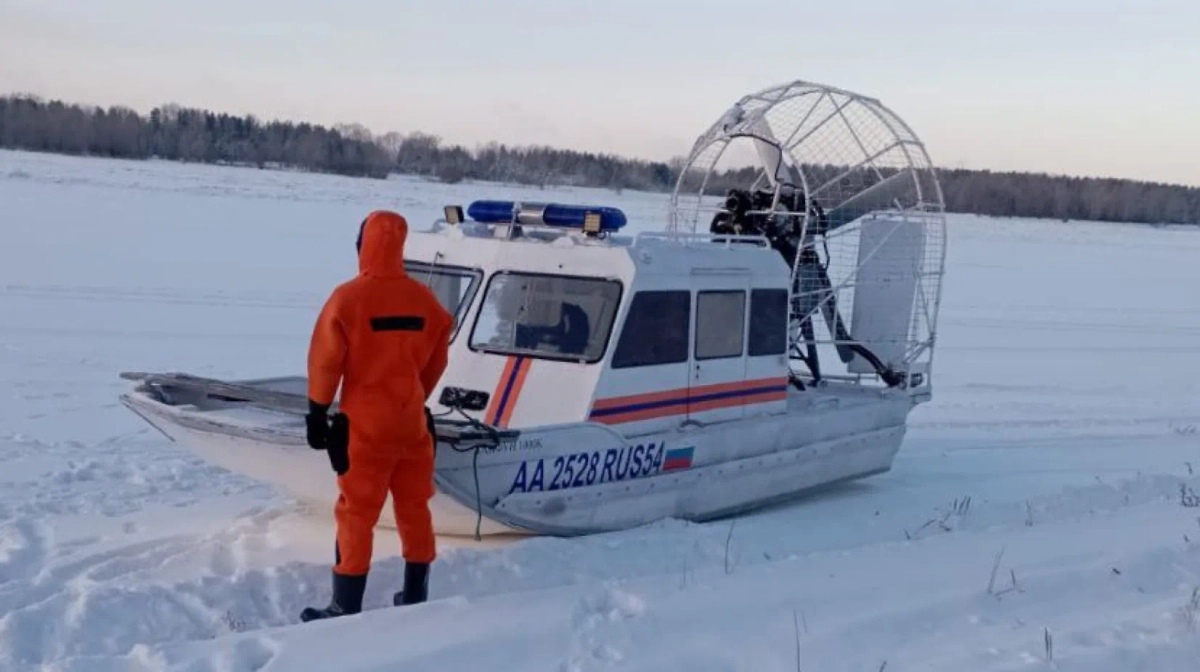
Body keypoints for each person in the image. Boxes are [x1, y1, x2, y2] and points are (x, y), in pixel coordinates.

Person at [300, 209, 454, 622]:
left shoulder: (347, 298)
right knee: (414, 507)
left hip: (365, 428)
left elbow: (325, 361)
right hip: (412, 425)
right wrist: (415, 392)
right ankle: (415, 594)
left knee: (357, 512)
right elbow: (438, 357)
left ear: (362, 245)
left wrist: (317, 412)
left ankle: (345, 604)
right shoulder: (426, 300)